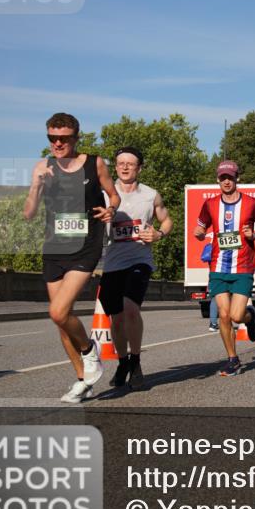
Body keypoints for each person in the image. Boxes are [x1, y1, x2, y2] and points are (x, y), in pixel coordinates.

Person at [23, 113, 119, 403]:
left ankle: (91, 353)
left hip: (86, 246)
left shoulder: (95, 163)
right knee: (61, 321)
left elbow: (113, 196)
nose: (57, 143)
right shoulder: (43, 167)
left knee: (58, 311)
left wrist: (111, 210)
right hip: (54, 248)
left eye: (63, 138)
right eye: (52, 138)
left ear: (76, 138)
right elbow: (28, 214)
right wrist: (38, 185)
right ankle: (83, 380)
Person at [101, 147, 172, 390]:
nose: (124, 167)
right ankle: (122, 363)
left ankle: (136, 362)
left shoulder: (151, 195)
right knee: (117, 319)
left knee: (130, 310)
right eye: (120, 163)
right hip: (111, 263)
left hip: (139, 260)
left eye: (130, 163)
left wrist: (159, 234)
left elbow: (167, 219)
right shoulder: (105, 196)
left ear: (139, 168)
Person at [194, 160, 255, 376]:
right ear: (217, 180)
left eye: (230, 177)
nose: (226, 181)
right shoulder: (209, 205)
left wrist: (254, 235)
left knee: (237, 316)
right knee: (224, 315)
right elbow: (199, 227)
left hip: (243, 267)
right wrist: (198, 233)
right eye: (222, 178)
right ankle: (233, 359)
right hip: (218, 267)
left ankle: (249, 315)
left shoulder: (251, 203)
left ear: (238, 178)